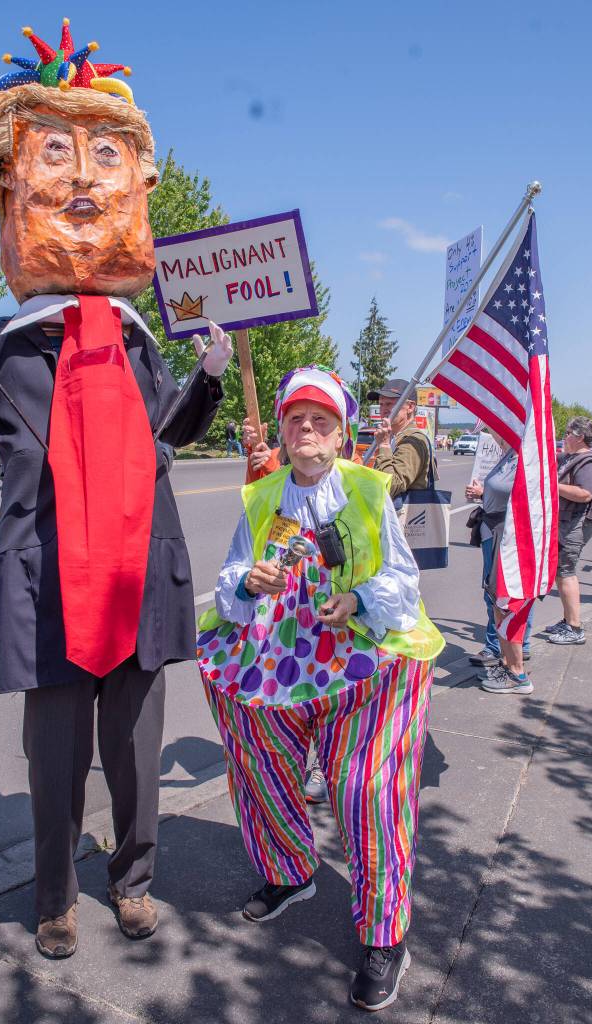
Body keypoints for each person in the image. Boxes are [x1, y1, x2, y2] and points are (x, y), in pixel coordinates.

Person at [0, 19, 232, 961]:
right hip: (50, 575)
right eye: (59, 155)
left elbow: (167, 434)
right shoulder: (6, 340)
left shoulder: (141, 340)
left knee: (137, 755)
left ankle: (133, 880)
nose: (86, 181)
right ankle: (54, 896)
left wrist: (210, 376)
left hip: (138, 571)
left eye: (105, 157)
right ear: (16, 184)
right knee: (53, 760)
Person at [197, 365, 444, 1012]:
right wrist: (250, 582)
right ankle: (290, 872)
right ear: (281, 432)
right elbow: (229, 576)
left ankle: (386, 935)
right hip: (279, 660)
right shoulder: (263, 495)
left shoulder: (366, 489)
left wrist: (357, 598)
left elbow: (403, 579)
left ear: (340, 437)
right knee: (257, 759)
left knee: (366, 790)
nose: (306, 430)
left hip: (363, 659)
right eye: (295, 420)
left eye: (321, 421)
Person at [465, 439, 534, 675]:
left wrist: (484, 492)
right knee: (496, 595)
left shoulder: (526, 459)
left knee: (506, 596)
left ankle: (506, 653)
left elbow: (518, 495)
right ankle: (507, 650)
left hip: (506, 533)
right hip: (492, 530)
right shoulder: (509, 454)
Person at [546, 416, 592, 645]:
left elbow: (585, 493)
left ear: (580, 437)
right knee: (561, 570)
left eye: (567, 433)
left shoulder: (589, 462)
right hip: (568, 521)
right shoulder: (571, 457)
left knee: (566, 570)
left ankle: (574, 628)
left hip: (577, 522)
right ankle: (568, 621)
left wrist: (553, 485)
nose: (564, 437)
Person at [369, 379, 437, 515]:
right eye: (381, 404)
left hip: (407, 525)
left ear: (410, 407)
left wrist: (384, 445)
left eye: (389, 404)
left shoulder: (413, 440)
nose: (383, 409)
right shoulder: (397, 437)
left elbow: (391, 485)